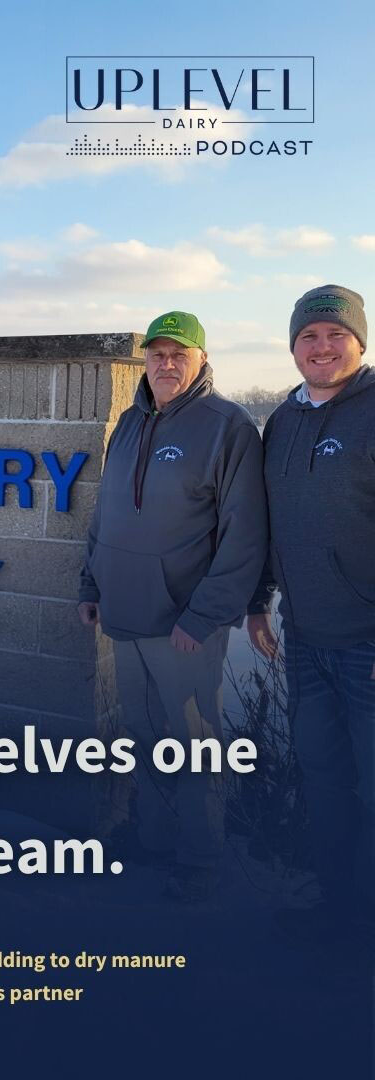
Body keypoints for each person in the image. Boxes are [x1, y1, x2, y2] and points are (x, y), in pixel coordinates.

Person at [78, 312, 268, 901]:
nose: (165, 364)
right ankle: (154, 839)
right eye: (155, 353)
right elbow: (107, 512)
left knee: (193, 740)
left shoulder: (227, 426)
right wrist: (90, 584)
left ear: (201, 360)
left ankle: (200, 858)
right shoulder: (130, 423)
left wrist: (205, 616)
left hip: (185, 623)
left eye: (177, 354)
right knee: (141, 735)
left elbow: (245, 535)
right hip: (125, 613)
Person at [246, 284, 374, 939]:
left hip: (368, 644)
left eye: (334, 335)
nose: (321, 347)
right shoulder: (284, 423)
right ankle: (339, 909)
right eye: (308, 336)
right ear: (293, 345)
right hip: (306, 636)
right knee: (324, 780)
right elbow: (275, 524)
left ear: (359, 340)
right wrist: (259, 602)